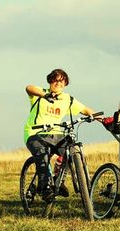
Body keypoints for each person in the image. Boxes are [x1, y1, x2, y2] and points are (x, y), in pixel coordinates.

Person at [24, 68, 96, 201]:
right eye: (55, 80)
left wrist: (97, 117)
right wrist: (44, 95)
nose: (58, 83)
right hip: (35, 133)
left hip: (56, 135)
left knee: (72, 150)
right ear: (50, 81)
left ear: (65, 84)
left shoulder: (67, 99)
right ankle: (45, 189)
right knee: (42, 154)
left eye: (61, 81)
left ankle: (59, 179)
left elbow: (85, 109)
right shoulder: (40, 94)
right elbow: (29, 88)